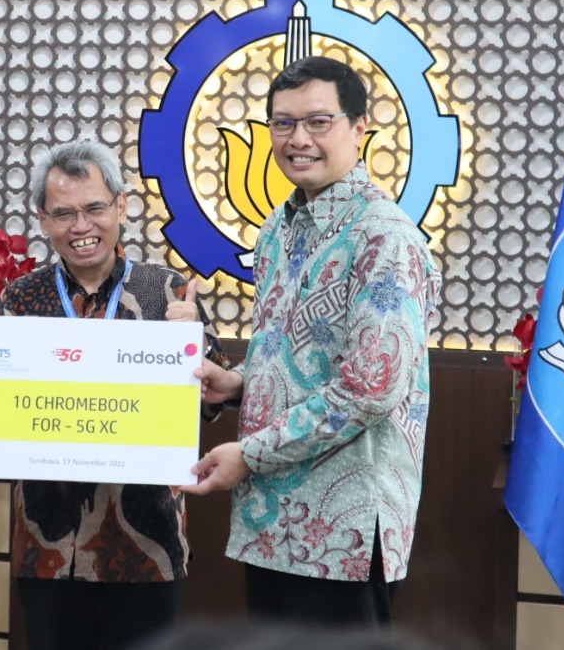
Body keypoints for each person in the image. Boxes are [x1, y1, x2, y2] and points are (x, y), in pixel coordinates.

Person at [184, 56, 441, 627]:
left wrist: (248, 454)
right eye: (282, 123)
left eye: (318, 122)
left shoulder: (384, 238)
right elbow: (300, 357)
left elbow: (368, 390)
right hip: (271, 523)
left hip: (341, 536)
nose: (298, 139)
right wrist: (236, 386)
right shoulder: (279, 226)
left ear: (360, 126)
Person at [0, 139, 228, 650]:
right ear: (42, 220)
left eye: (94, 209)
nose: (80, 227)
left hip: (148, 548)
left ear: (121, 207)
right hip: (49, 548)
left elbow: (214, 401)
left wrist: (198, 341)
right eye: (63, 214)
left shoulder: (167, 292)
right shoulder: (19, 299)